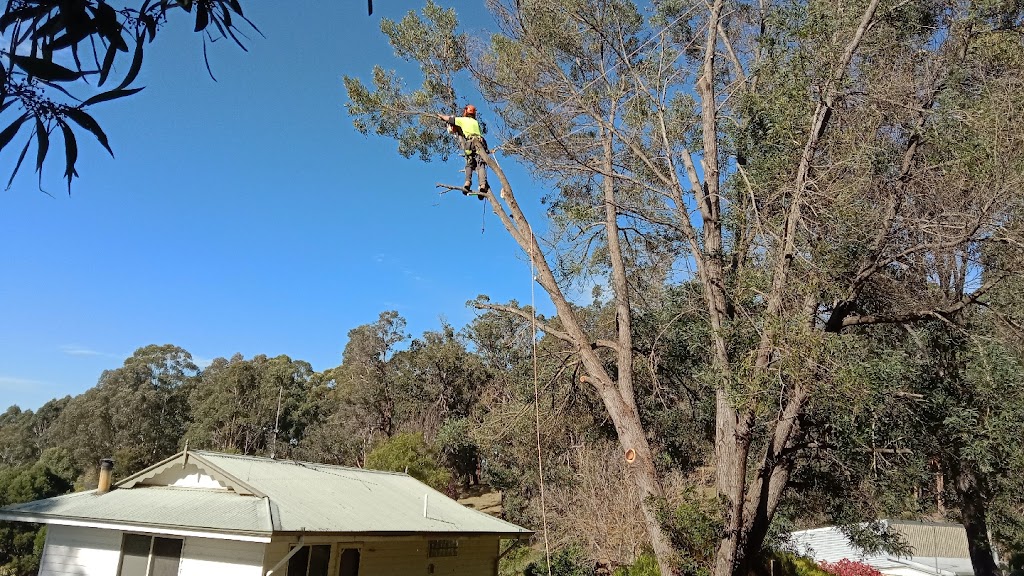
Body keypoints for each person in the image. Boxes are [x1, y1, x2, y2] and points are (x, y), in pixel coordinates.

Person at [437, 105, 489, 198]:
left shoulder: (463, 120)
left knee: (469, 164)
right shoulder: (476, 122)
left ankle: (467, 183)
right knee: (480, 165)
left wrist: (440, 115)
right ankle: (483, 185)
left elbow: (448, 119)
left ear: (466, 111)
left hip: (469, 143)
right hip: (480, 143)